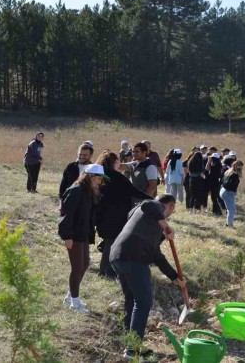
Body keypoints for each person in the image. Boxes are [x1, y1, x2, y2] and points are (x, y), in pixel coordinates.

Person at [110, 195, 186, 360]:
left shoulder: (148, 221)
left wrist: (174, 276)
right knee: (143, 302)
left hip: (118, 256)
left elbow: (156, 255)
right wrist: (166, 226)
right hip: (133, 259)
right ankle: (132, 350)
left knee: (132, 301)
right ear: (171, 206)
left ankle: (131, 344)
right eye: (172, 210)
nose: (169, 214)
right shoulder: (153, 206)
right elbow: (148, 204)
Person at [95, 151, 153, 279]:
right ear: (114, 162)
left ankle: (106, 270)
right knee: (112, 243)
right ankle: (106, 271)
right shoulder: (117, 177)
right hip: (116, 216)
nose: (119, 163)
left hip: (102, 215)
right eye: (117, 160)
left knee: (109, 241)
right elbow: (133, 191)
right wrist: (152, 199)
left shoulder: (100, 175)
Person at [58, 163, 108, 314]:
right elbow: (66, 215)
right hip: (73, 235)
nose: (100, 182)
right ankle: (75, 304)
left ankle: (70, 296)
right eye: (98, 179)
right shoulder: (75, 191)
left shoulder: (89, 192)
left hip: (84, 233)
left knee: (85, 264)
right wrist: (67, 236)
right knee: (77, 267)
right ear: (90, 176)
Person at [220, 161, 244, 227]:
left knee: (229, 209)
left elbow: (222, 181)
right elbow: (231, 184)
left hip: (223, 190)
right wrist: (234, 191)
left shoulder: (228, 171)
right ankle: (229, 225)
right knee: (231, 210)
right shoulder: (235, 175)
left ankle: (228, 223)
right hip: (228, 192)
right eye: (241, 167)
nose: (242, 168)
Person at [187, 149, 205, 214]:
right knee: (198, 195)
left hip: (191, 179)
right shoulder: (200, 162)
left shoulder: (190, 162)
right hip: (198, 179)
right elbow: (201, 173)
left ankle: (190, 210)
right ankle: (197, 209)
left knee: (192, 195)